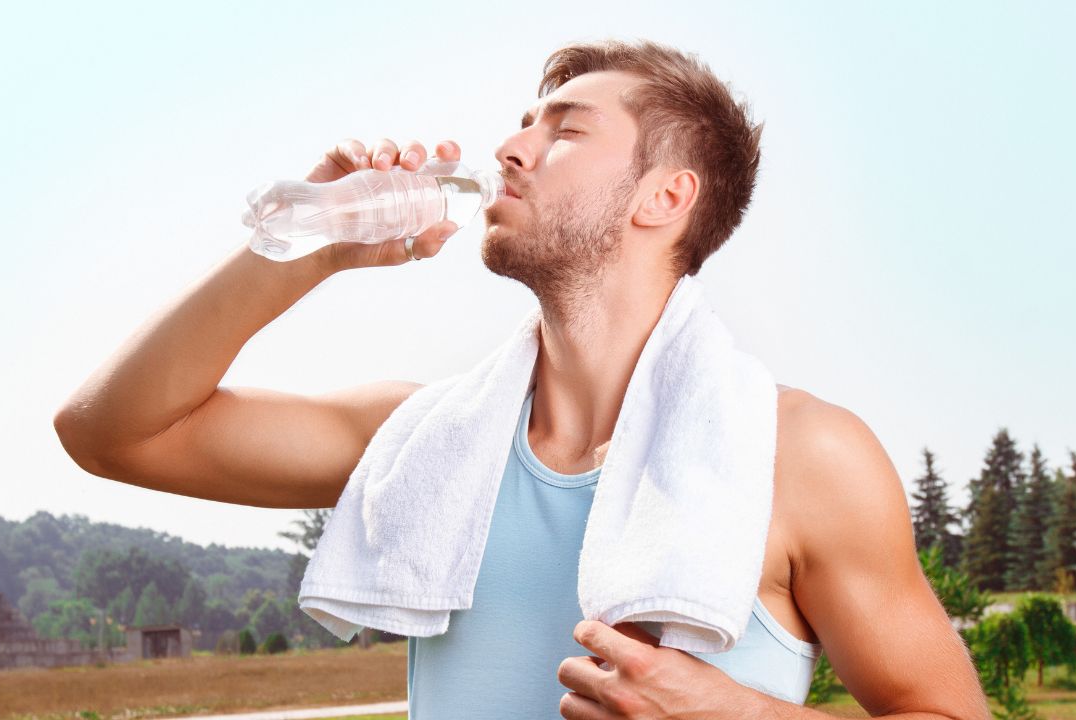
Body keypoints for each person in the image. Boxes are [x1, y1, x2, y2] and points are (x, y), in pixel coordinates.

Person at [54, 39, 990, 719]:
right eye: (520, 125)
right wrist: (303, 249)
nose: (510, 149)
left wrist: (744, 718)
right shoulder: (421, 441)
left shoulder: (801, 456)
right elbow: (113, 432)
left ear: (666, 198)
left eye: (565, 130)